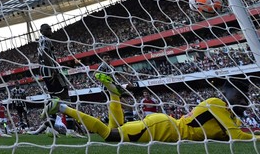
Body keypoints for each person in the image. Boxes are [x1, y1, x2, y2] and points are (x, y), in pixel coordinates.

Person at [42, 74, 260, 142]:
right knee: (110, 134)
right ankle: (62, 107)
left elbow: (233, 134)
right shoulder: (216, 103)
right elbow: (236, 137)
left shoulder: (231, 115)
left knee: (116, 126)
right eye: (239, 94)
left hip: (166, 126)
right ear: (227, 92)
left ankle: (114, 94)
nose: (243, 98)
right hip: (164, 129)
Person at [28, 23, 71, 136]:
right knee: (64, 96)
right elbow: (46, 54)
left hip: (46, 71)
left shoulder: (41, 40)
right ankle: (71, 129)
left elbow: (41, 56)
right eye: (47, 29)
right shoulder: (45, 40)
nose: (50, 30)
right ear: (41, 31)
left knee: (55, 98)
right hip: (50, 71)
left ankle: (49, 127)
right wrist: (53, 70)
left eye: (50, 28)